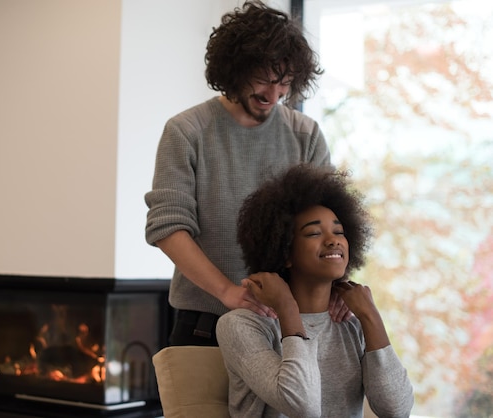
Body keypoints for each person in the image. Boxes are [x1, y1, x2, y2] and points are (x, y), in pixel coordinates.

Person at [145, 0, 349, 346]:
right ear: (234, 70)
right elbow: (168, 227)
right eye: (264, 81)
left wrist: (338, 286)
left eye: (283, 84)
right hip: (204, 325)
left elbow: (333, 224)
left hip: (288, 324)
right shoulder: (187, 131)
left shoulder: (305, 134)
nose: (273, 95)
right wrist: (226, 291)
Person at [215, 164, 414, 417]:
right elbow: (302, 405)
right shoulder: (242, 326)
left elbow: (396, 409)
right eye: (314, 233)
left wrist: (370, 317)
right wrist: (287, 309)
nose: (333, 240)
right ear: (284, 250)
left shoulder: (351, 324)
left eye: (339, 232)